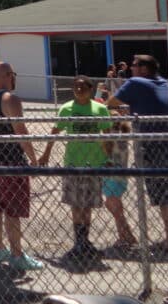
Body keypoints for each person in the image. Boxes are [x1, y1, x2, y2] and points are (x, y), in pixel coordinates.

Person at [108, 54, 168, 252]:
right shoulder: (162, 82)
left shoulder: (136, 82)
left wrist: (120, 108)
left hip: (153, 145)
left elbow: (111, 103)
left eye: (135, 65)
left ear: (144, 69)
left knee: (164, 194)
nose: (131, 68)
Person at [38, 75, 112, 263]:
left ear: (90, 89)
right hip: (73, 162)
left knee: (88, 204)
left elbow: (107, 135)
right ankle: (78, 241)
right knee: (75, 203)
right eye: (76, 87)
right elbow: (56, 131)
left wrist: (109, 158)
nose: (79, 90)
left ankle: (85, 240)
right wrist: (46, 152)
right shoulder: (66, 108)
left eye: (83, 87)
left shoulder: (100, 109)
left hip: (94, 163)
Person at [0, 61, 43, 271]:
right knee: (13, 209)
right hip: (12, 159)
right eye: (12, 74)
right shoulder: (10, 99)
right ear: (8, 75)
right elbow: (21, 131)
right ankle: (16, 253)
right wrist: (33, 160)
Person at [102, 114, 138, 248]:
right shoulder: (123, 135)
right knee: (115, 206)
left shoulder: (111, 137)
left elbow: (107, 154)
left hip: (111, 175)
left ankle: (125, 236)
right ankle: (126, 234)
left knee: (115, 207)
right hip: (120, 175)